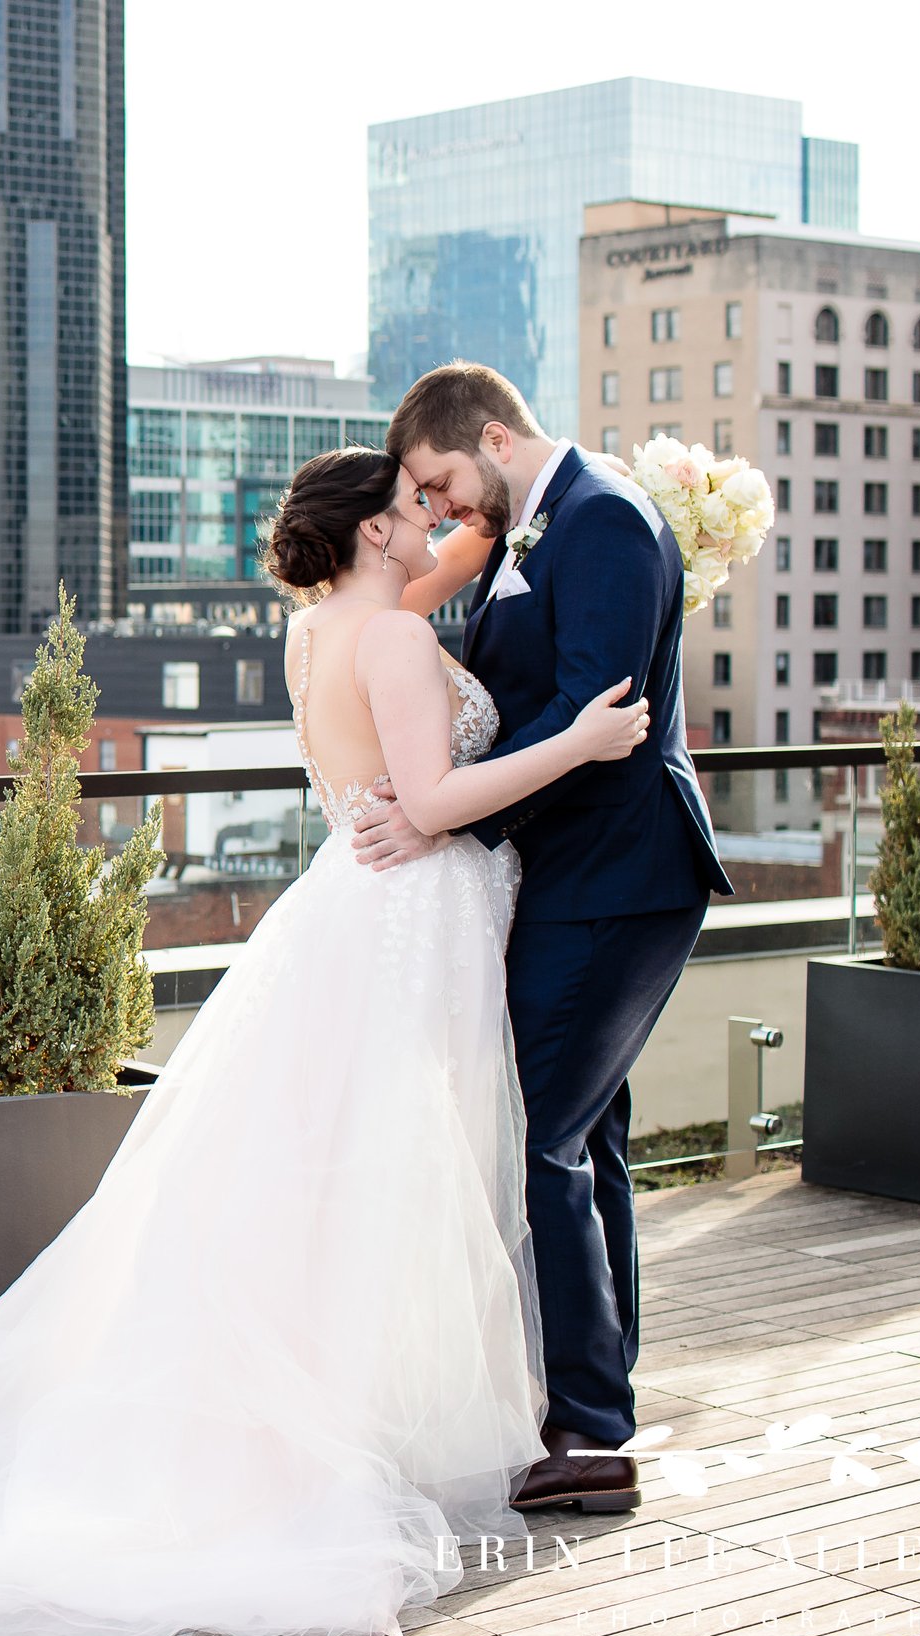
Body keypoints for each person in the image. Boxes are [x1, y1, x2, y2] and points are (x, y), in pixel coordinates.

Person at [0, 445, 651, 1636]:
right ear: (368, 533)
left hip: (354, 909)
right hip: (407, 916)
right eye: (407, 506)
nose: (427, 518)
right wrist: (582, 743)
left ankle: (332, 1414)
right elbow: (434, 800)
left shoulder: (321, 629)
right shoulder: (392, 637)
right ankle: (330, 1433)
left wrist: (510, 506)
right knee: (379, 1177)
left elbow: (454, 564)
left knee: (319, 1180)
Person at [362, 363, 734, 1512]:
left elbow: (601, 721)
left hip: (622, 875)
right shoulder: (534, 531)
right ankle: (594, 1396)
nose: (435, 507)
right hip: (572, 876)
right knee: (588, 1133)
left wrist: (440, 820)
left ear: (486, 435)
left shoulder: (607, 516)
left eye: (436, 481)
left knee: (540, 1134)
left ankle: (588, 1428)